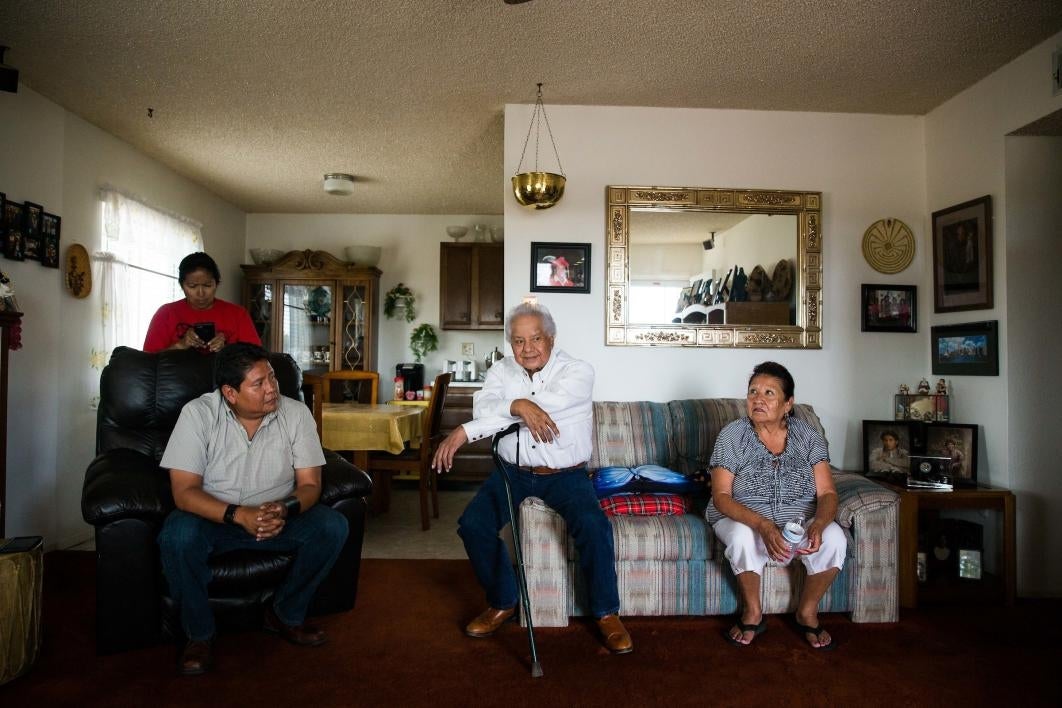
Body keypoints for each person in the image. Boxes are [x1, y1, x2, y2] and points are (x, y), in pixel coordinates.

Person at [432, 302, 632, 654]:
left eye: (535, 339)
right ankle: (503, 601)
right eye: (518, 341)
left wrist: (470, 428)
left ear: (551, 338)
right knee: (473, 524)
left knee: (593, 526)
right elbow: (483, 406)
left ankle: (606, 613)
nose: (527, 349)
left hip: (566, 475)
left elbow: (548, 403)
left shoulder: (578, 371)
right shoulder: (500, 371)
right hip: (513, 472)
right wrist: (518, 407)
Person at [157, 343, 349, 675]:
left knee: (333, 526)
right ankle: (199, 635)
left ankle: (284, 614)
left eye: (272, 377)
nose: (272, 388)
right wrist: (237, 514)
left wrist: (285, 508)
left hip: (277, 517)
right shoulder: (197, 414)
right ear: (230, 392)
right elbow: (184, 492)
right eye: (258, 383)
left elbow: (310, 485)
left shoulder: (295, 413)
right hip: (214, 518)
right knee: (177, 536)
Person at [706, 361, 845, 649]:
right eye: (753, 392)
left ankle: (807, 612)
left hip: (798, 520)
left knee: (835, 537)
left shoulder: (808, 435)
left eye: (769, 393)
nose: (757, 399)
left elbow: (828, 493)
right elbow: (720, 496)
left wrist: (819, 523)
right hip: (744, 519)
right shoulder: (733, 435)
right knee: (743, 537)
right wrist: (763, 525)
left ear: (787, 403)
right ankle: (753, 612)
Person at [144, 252, 261, 353]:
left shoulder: (238, 314)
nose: (201, 293)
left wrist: (226, 348)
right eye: (192, 286)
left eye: (207, 285)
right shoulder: (166, 313)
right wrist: (180, 345)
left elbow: (257, 358)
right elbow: (147, 361)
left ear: (217, 284)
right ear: (182, 285)